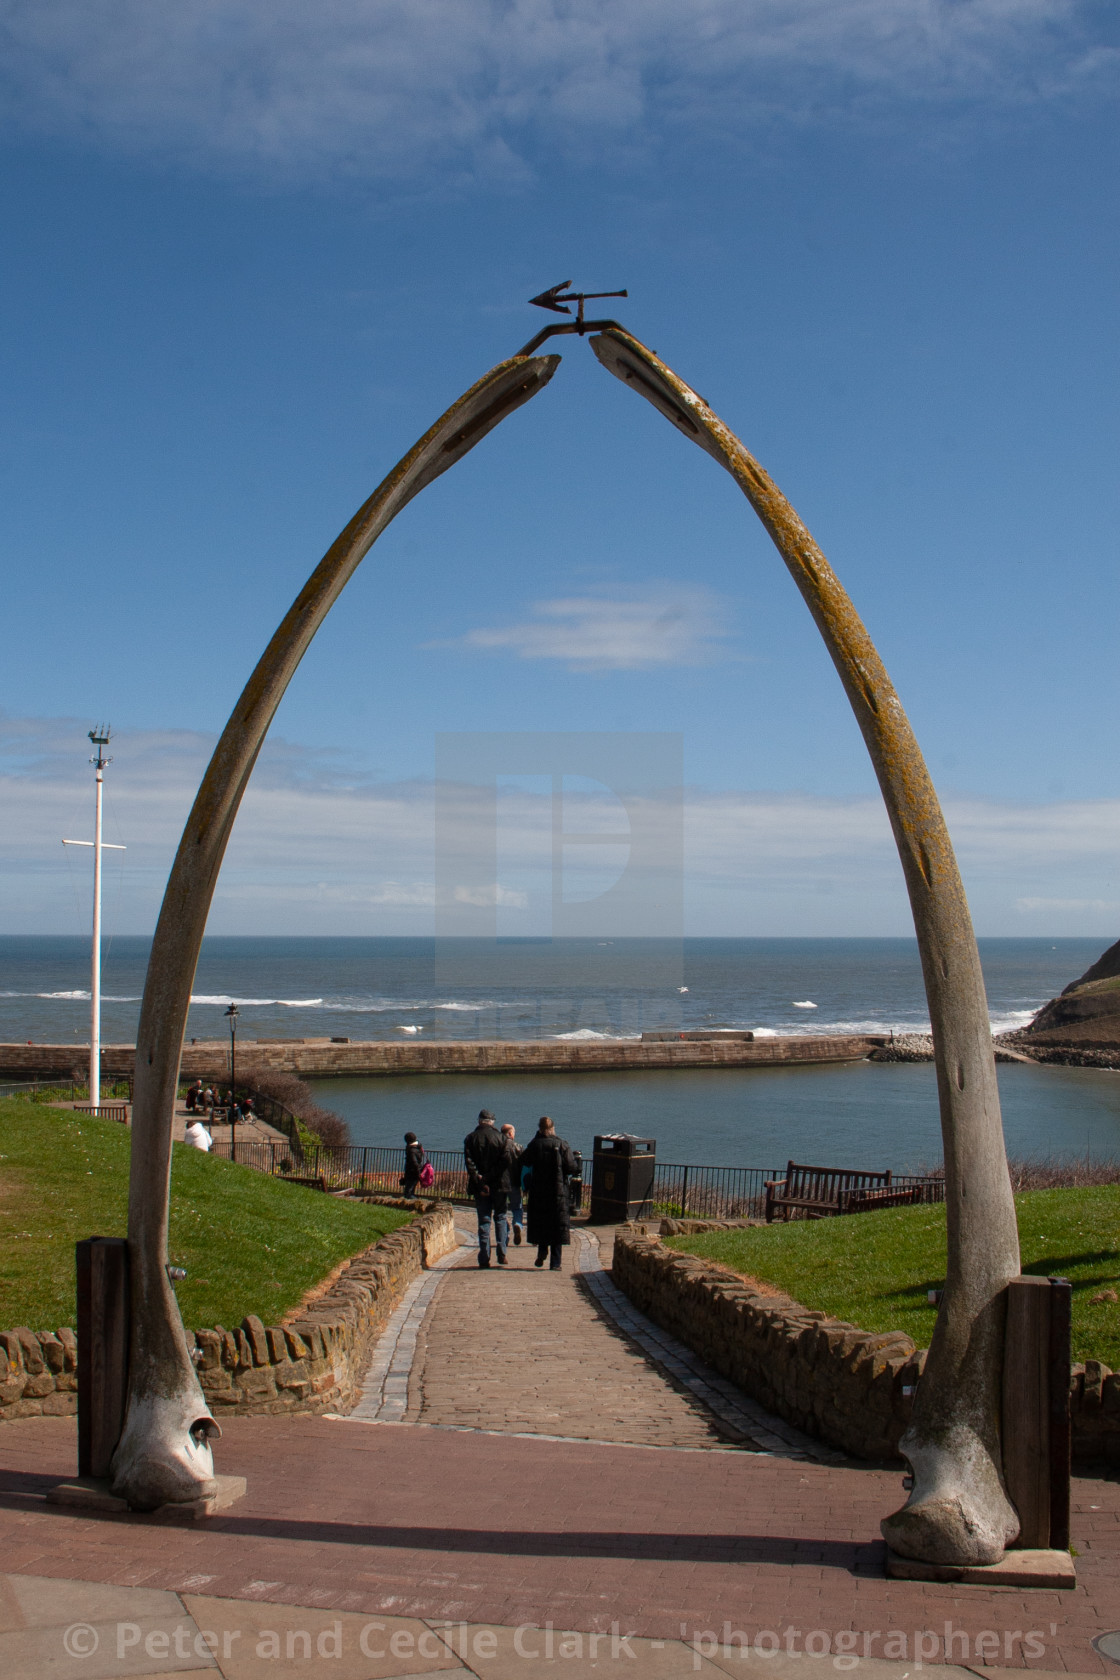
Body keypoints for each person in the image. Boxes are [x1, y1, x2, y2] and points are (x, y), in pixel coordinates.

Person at [522, 1116, 579, 1270]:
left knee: (541, 1222)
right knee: (556, 1225)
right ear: (553, 1128)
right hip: (558, 1191)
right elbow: (572, 1168)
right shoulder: (561, 1144)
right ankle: (555, 1263)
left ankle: (541, 1252)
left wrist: (536, 1139)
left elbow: (525, 1160)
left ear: (539, 1129)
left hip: (539, 1191)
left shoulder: (535, 1145)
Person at [464, 1109, 517, 1268]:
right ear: (492, 1122)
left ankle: (484, 1256)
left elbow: (469, 1163)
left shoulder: (470, 1138)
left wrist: (480, 1179)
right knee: (500, 1217)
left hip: (481, 1185)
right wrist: (491, 1176)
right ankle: (502, 1251)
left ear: (479, 1121)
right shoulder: (502, 1139)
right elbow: (505, 1161)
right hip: (499, 1185)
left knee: (484, 1220)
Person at [501, 1123, 525, 1245]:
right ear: (510, 1133)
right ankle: (517, 1223)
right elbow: (523, 1167)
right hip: (515, 1183)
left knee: (502, 1210)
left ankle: (506, 1233)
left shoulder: (497, 1147)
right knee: (517, 1208)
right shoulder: (519, 1147)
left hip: (500, 1184)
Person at [401, 1131, 426, 1197]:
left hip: (412, 1173)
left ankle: (416, 1203)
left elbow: (414, 1162)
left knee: (408, 1193)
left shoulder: (412, 1151)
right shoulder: (418, 1148)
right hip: (415, 1172)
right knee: (410, 1191)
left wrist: (417, 1173)